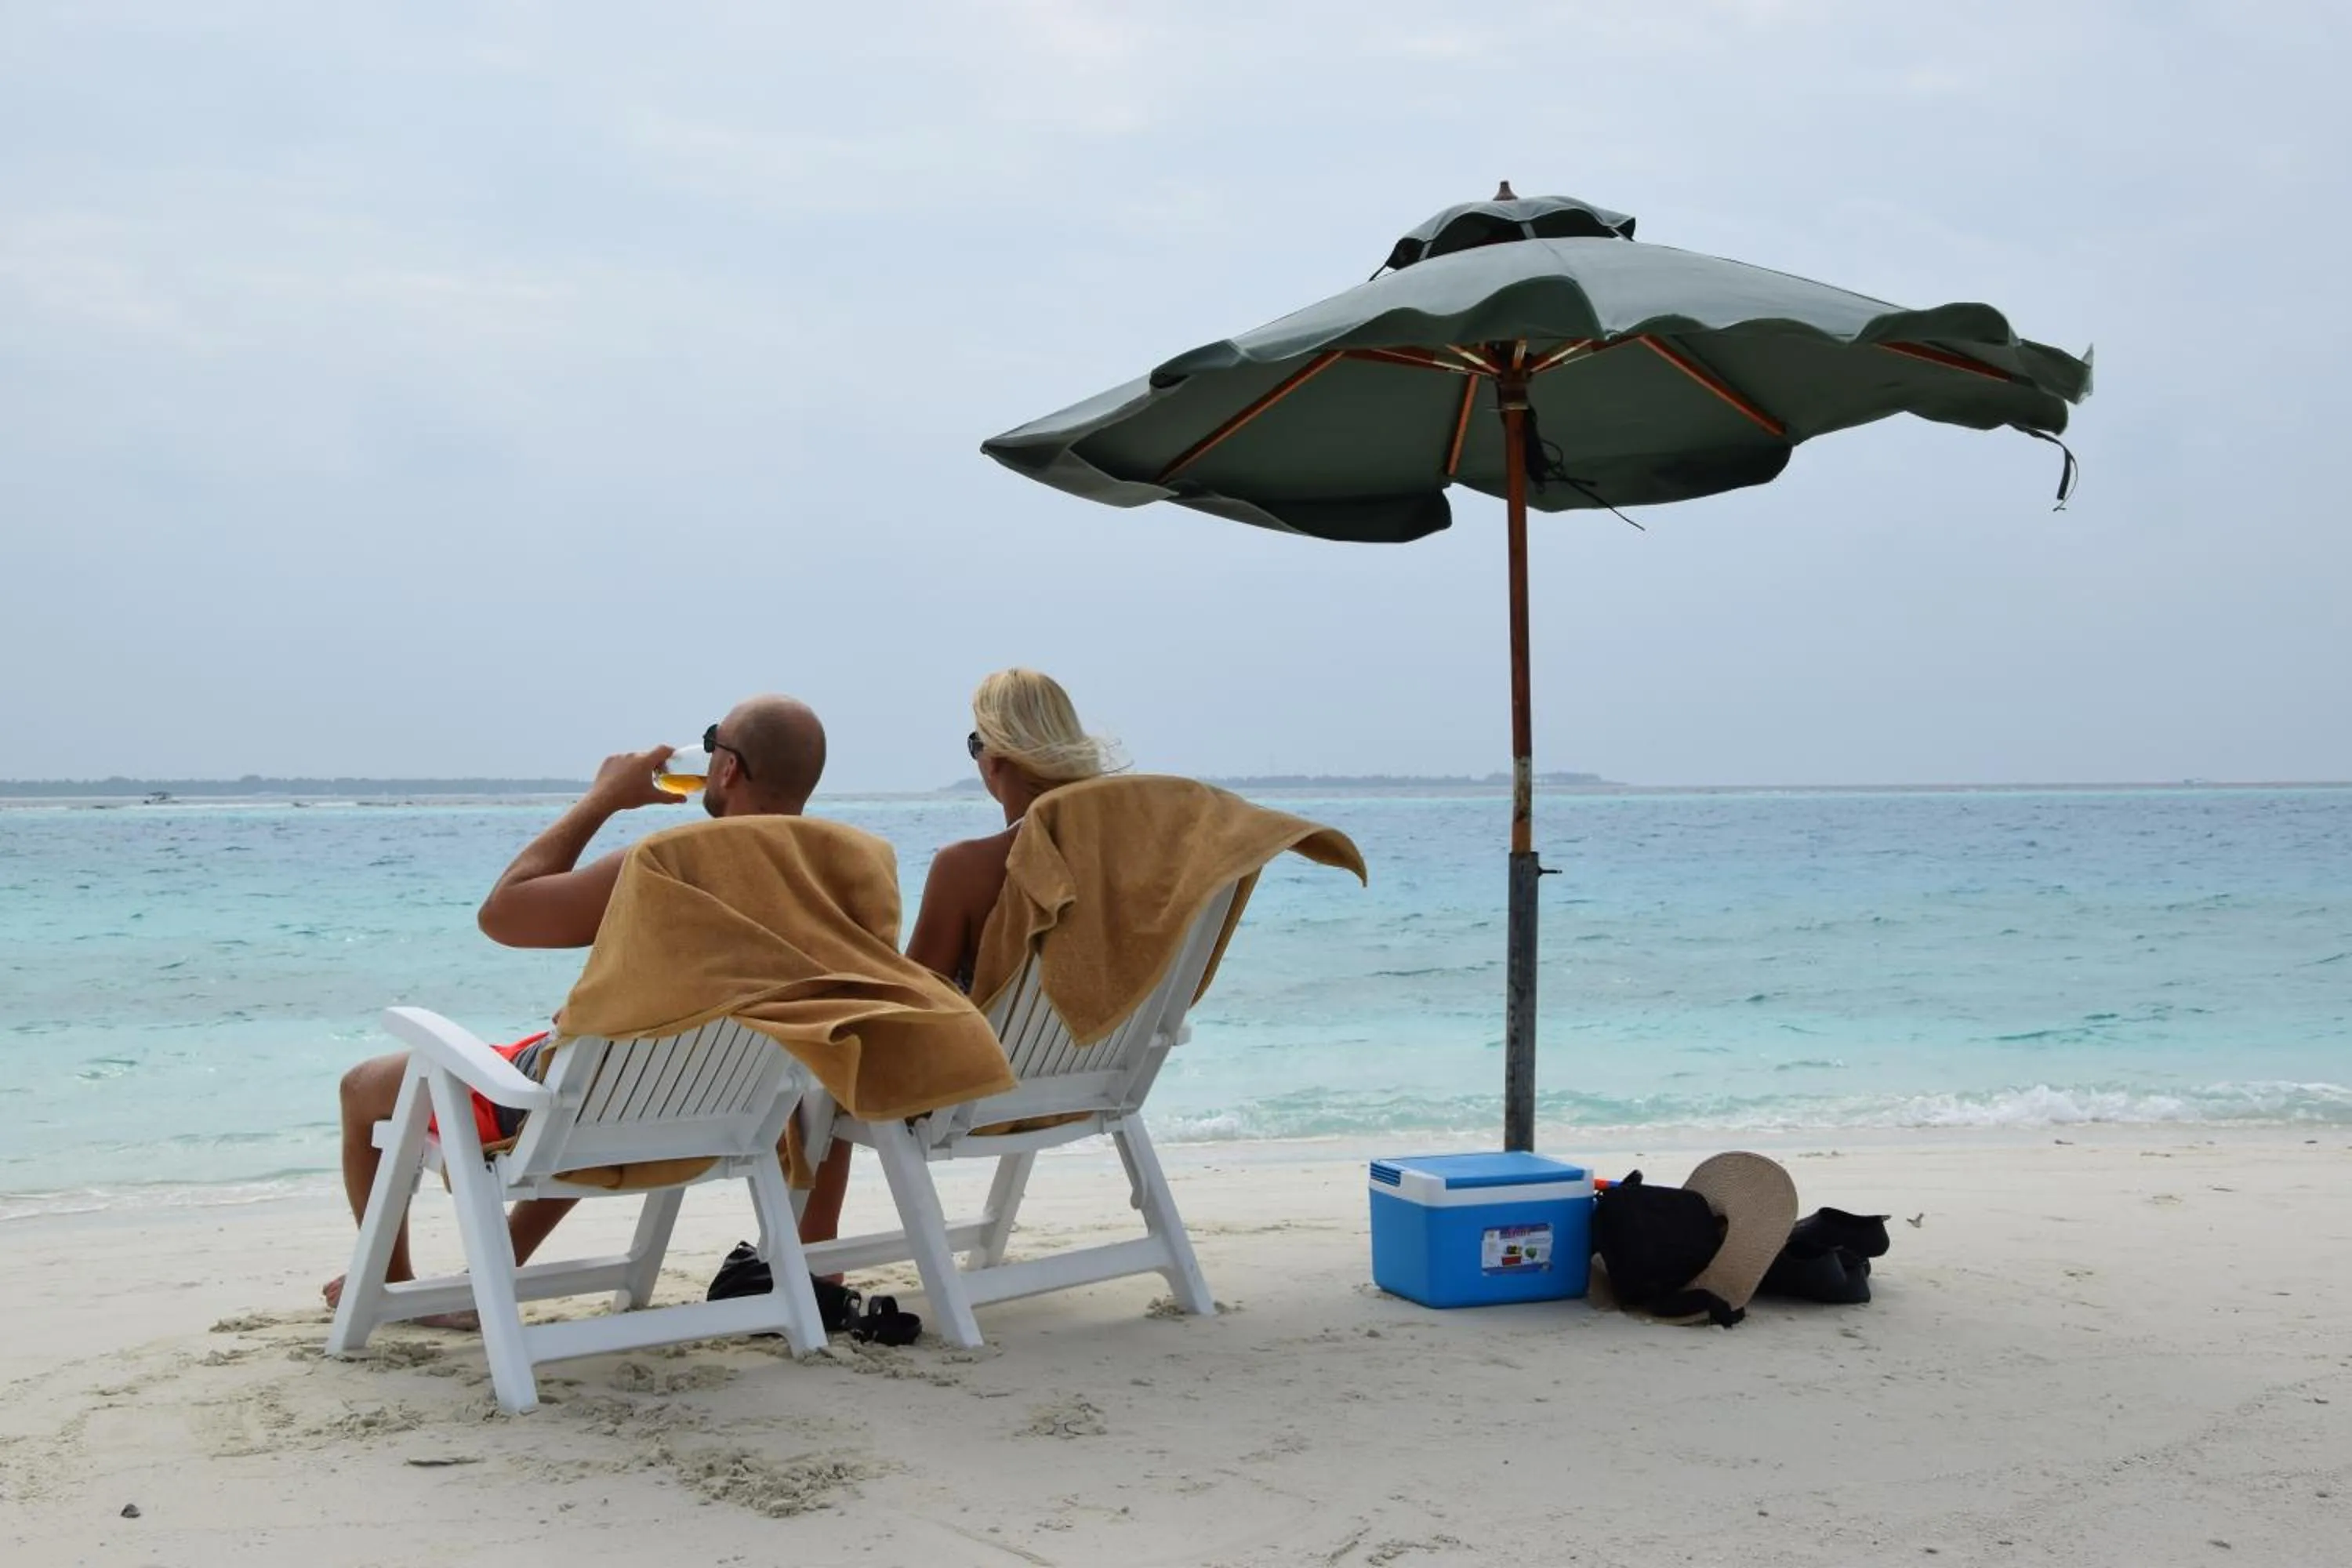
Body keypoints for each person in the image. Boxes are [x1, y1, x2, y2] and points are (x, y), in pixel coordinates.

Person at [322, 694, 843, 1318]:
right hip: (724, 1115)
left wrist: (605, 797)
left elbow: (503, 914)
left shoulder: (663, 867)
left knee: (366, 1087)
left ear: (727, 769)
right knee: (612, 1074)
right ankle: (489, 1271)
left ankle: (398, 1288)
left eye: (712, 743)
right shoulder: (830, 876)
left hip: (602, 1108)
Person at [903, 669, 1109, 989]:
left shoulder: (963, 869)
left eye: (976, 744)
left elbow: (912, 1005)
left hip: (991, 1041)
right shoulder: (1123, 857)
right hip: (1114, 1040)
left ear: (994, 756)